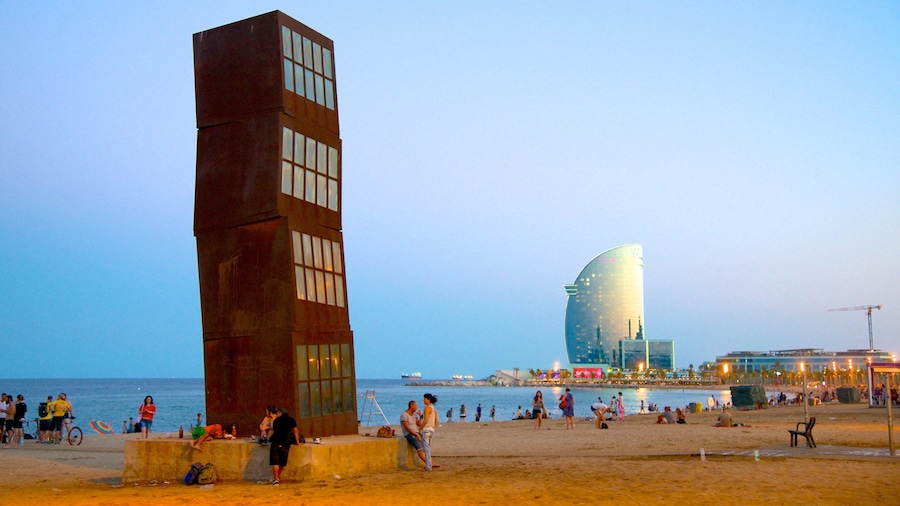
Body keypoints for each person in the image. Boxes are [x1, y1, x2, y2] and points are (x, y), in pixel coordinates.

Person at [270, 407, 302, 485]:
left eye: (277, 413)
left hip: (275, 442)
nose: (276, 415)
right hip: (285, 443)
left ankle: (276, 479)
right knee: (282, 462)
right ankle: (278, 477)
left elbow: (273, 430)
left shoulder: (276, 421)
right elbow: (296, 431)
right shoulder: (291, 420)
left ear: (280, 413)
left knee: (275, 462)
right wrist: (297, 442)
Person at [400, 400, 426, 467]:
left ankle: (429, 462)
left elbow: (419, 424)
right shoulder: (404, 415)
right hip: (409, 434)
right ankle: (428, 463)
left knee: (425, 446)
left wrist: (421, 416)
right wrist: (416, 435)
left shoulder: (414, 414)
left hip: (416, 433)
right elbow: (407, 428)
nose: (417, 407)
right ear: (411, 406)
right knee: (419, 448)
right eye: (415, 406)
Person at [418, 393, 440, 471]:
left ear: (428, 400)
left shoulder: (427, 408)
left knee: (426, 449)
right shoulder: (434, 409)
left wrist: (420, 428)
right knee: (427, 448)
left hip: (426, 430)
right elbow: (436, 421)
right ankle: (429, 465)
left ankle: (428, 466)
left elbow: (426, 420)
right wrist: (432, 426)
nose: (423, 400)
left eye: (424, 399)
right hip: (431, 430)